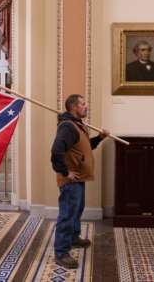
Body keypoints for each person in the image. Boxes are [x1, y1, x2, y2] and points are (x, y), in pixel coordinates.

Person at [51, 94, 109, 269]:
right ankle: (61, 252)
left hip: (79, 177)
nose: (86, 107)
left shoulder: (78, 126)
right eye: (83, 104)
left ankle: (73, 238)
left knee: (77, 209)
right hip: (71, 180)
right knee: (67, 214)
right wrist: (64, 171)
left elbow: (83, 148)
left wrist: (99, 138)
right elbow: (56, 151)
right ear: (74, 107)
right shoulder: (68, 127)